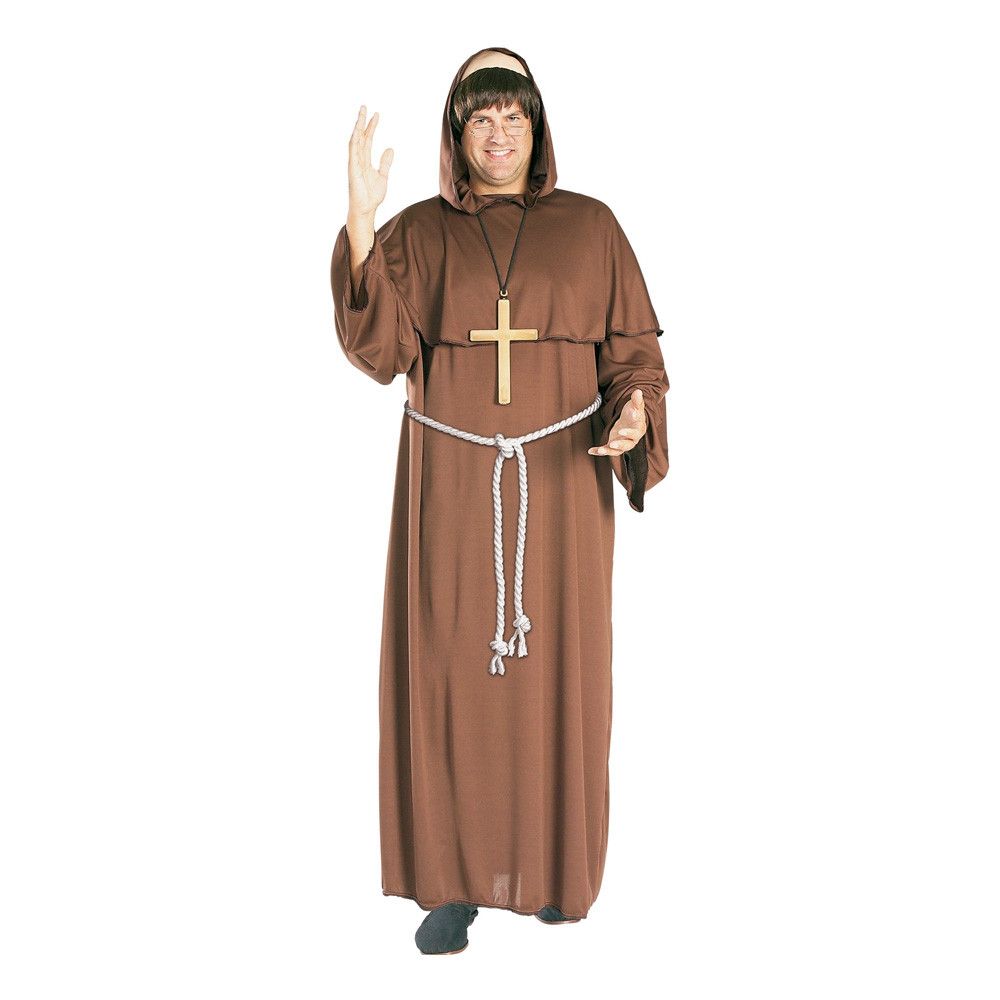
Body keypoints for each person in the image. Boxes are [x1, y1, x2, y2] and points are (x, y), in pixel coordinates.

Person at [330, 46, 670, 955]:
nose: (498, 134)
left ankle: (554, 872)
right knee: (448, 672)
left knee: (558, 672)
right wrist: (361, 225)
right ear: (456, 133)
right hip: (450, 490)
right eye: (479, 117)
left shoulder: (592, 227)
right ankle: (450, 885)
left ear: (537, 125)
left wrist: (635, 412)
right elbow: (378, 351)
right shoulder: (417, 233)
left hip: (560, 487)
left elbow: (634, 355)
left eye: (513, 115)